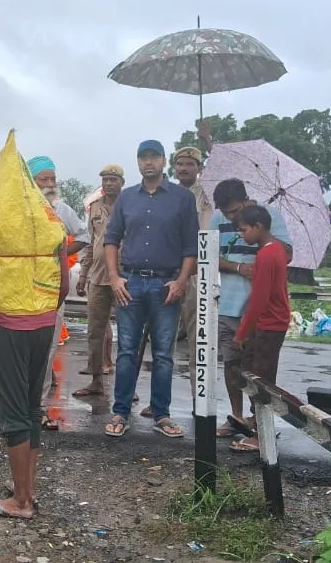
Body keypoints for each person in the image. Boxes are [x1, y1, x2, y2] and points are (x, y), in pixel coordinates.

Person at [0, 202, 68, 521]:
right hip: (44, 323)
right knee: (32, 407)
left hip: (10, 326)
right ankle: (26, 486)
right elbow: (63, 284)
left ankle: (21, 501)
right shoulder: (51, 226)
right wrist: (44, 312)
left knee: (12, 414)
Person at [102, 139, 198, 439]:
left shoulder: (182, 198)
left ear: (163, 160)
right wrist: (115, 278)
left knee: (164, 354)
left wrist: (182, 281)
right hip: (130, 283)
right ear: (138, 162)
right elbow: (111, 240)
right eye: (143, 157)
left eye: (154, 157)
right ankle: (120, 411)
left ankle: (161, 414)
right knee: (127, 351)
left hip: (165, 284)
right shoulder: (127, 198)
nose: (148, 162)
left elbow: (191, 245)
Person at [209, 179, 293, 450]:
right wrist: (237, 267)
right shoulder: (216, 220)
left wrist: (258, 259)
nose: (232, 221)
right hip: (228, 303)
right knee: (233, 364)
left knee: (260, 374)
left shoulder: (269, 221)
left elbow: (286, 254)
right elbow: (208, 255)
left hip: (259, 317)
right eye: (227, 214)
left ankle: (261, 428)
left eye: (235, 213)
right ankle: (238, 417)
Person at [27, 155, 89, 431]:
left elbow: (85, 236)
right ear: (31, 182)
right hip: (21, 287)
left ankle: (37, 408)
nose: (51, 184)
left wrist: (62, 254)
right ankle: (17, 407)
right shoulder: (20, 209)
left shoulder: (62, 209)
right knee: (21, 348)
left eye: (53, 179)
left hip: (53, 287)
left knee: (49, 345)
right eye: (44, 179)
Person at [228, 205, 291, 452]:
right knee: (254, 373)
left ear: (259, 227)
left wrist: (241, 333)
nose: (242, 235)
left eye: (244, 230)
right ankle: (257, 423)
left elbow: (259, 299)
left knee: (261, 379)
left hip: (268, 323)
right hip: (272, 321)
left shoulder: (266, 255)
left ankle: (261, 435)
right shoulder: (276, 250)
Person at [73, 164, 125, 397]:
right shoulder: (94, 208)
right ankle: (96, 380)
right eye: (105, 180)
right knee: (94, 331)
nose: (109, 183)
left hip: (124, 278)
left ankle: (127, 385)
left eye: (113, 179)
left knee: (127, 334)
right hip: (96, 277)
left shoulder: (130, 206)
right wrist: (83, 275)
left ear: (121, 182)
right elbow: (91, 245)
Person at [171, 146, 214, 344]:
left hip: (197, 270)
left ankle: (197, 375)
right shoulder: (167, 194)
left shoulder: (206, 195)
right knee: (164, 332)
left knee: (197, 332)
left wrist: (208, 141)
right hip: (169, 268)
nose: (184, 168)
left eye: (190, 164)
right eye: (180, 164)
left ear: (199, 168)